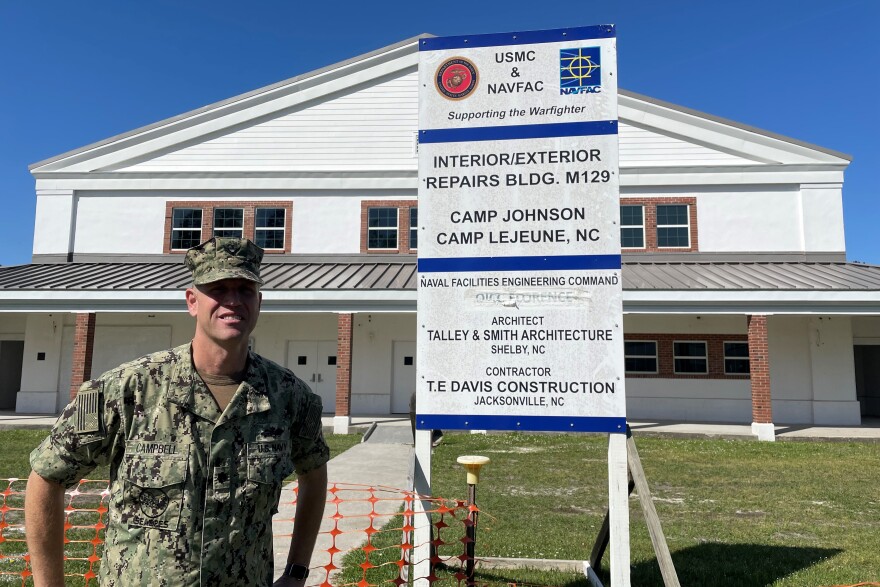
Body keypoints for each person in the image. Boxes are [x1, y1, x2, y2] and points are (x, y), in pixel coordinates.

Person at [25, 237, 330, 587]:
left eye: (245, 289)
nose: (233, 300)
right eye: (218, 288)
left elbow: (314, 471)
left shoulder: (288, 397)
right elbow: (47, 476)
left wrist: (297, 572)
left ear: (258, 302)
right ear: (192, 301)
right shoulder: (127, 389)